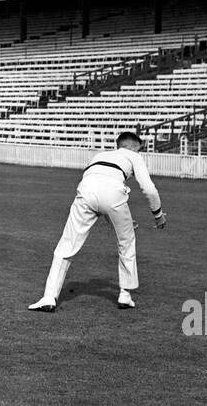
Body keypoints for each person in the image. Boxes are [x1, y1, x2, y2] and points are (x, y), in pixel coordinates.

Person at [29, 131, 166, 312]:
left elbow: (97, 192)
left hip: (85, 190)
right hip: (114, 192)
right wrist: (158, 214)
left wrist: (119, 218)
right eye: (139, 149)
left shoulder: (100, 155)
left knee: (67, 244)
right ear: (133, 147)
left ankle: (48, 297)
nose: (139, 153)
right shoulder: (134, 156)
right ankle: (125, 294)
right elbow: (148, 188)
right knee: (126, 242)